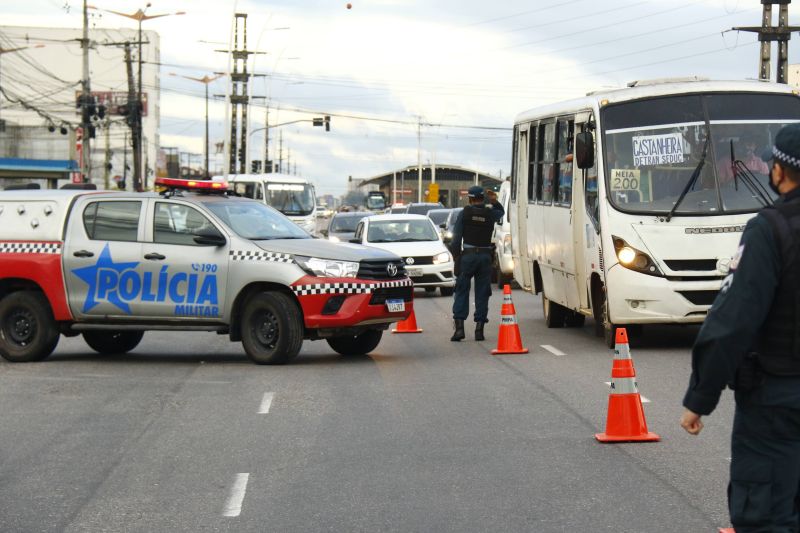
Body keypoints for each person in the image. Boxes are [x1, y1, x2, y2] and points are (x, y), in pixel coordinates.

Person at [680, 123, 800, 532]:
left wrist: (701, 395)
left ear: (780, 172)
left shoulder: (771, 230)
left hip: (777, 402)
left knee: (768, 516)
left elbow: (733, 319)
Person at [448, 185, 504, 342]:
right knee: (482, 293)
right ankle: (479, 330)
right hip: (485, 257)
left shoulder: (464, 213)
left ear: (470, 198)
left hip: (468, 257)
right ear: (483, 197)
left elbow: (456, 240)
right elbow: (501, 213)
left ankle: (459, 330)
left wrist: (457, 256)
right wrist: (494, 201)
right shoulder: (490, 213)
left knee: (461, 291)